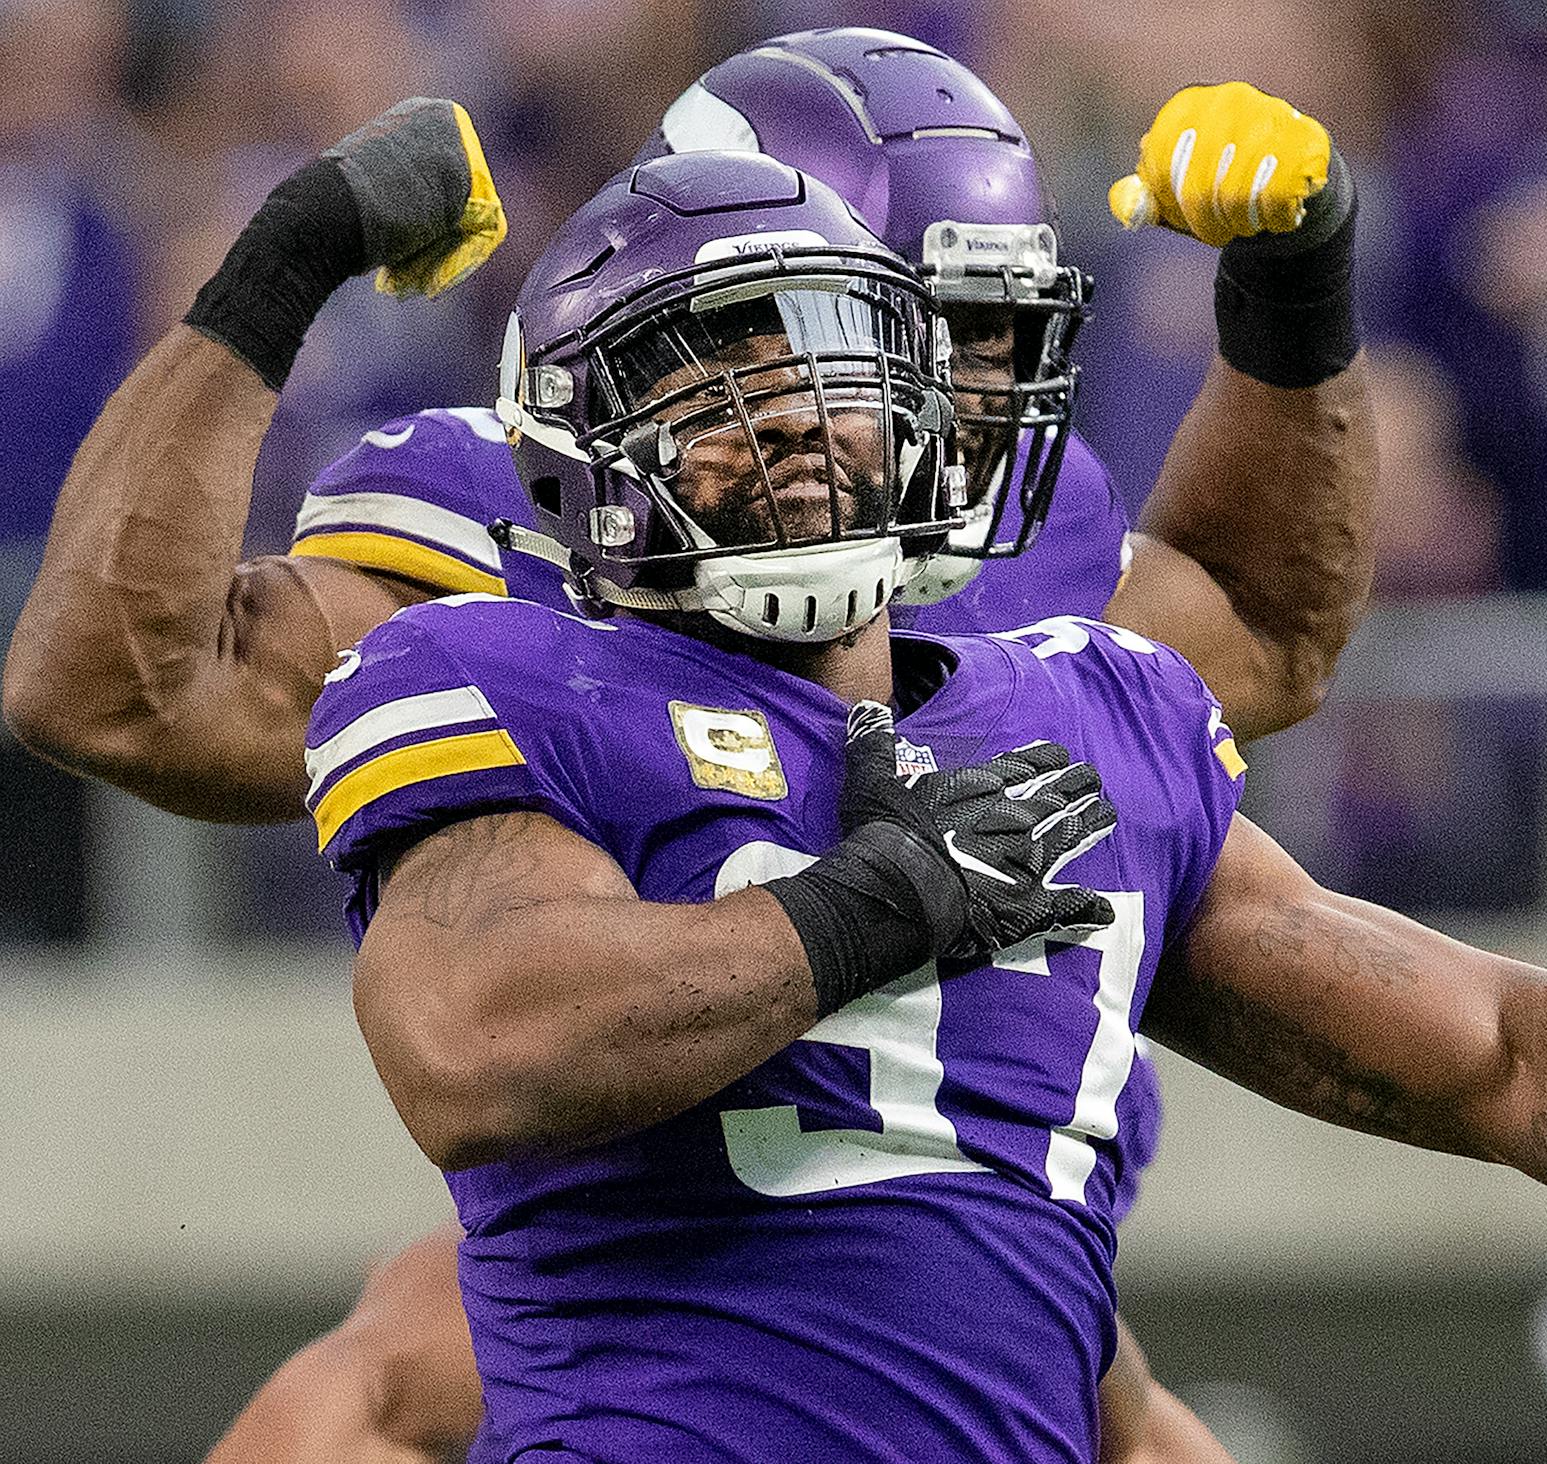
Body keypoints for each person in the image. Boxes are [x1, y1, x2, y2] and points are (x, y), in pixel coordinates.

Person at [306, 148, 1547, 1458]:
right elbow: (478, 1047)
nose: (783, 419)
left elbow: (1493, 1050)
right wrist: (871, 907)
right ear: (576, 451)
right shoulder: (507, 677)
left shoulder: (1087, 716)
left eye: (821, 361)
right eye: (706, 379)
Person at [3, 42, 1372, 1464]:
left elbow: (1265, 634)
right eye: (913, 329)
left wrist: (1295, 295)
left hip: (988, 1216)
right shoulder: (531, 512)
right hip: (669, 1205)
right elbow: (116, 693)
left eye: (987, 338)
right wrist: (280, 272)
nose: (960, 398)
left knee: (1115, 1408)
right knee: (393, 1362)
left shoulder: (1015, 535)